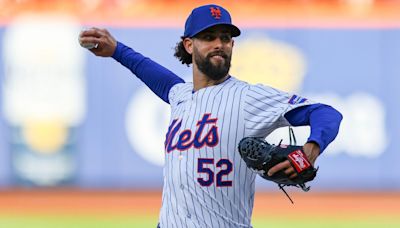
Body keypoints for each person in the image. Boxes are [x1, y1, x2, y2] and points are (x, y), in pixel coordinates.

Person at [79, 4, 342, 228]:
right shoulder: (180, 95)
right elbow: (153, 73)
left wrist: (312, 148)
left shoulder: (248, 98)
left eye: (225, 37)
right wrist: (116, 50)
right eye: (209, 37)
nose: (219, 44)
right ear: (189, 45)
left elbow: (326, 114)